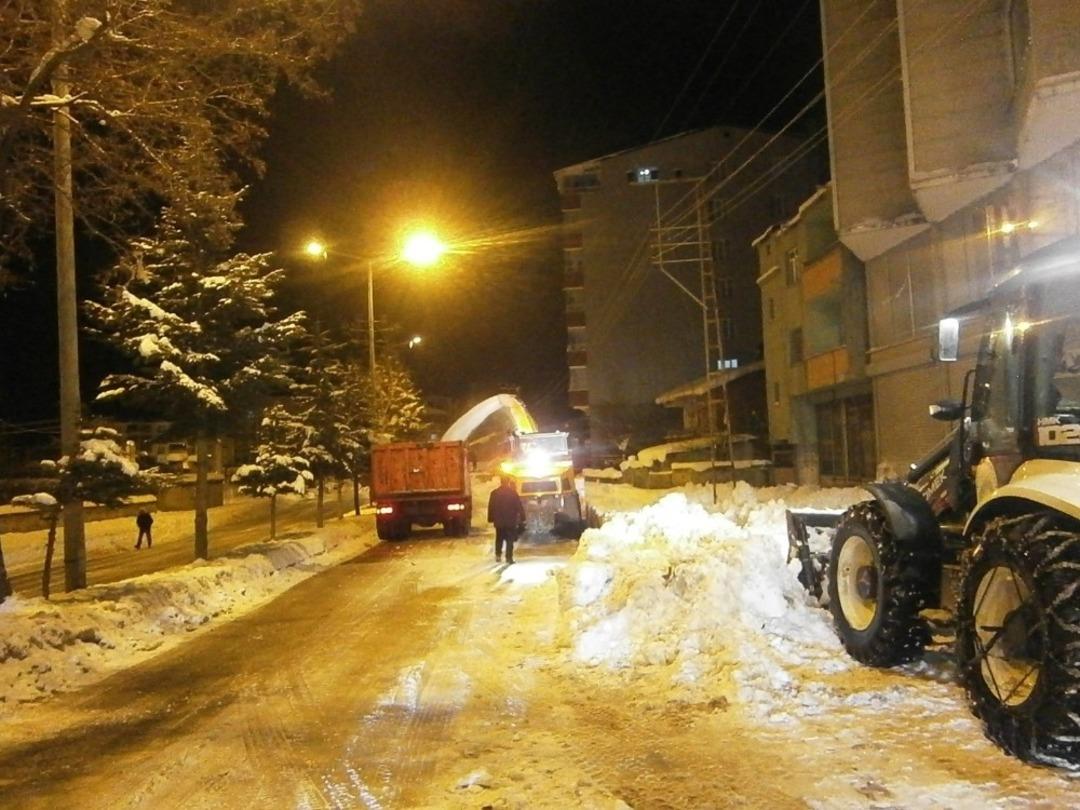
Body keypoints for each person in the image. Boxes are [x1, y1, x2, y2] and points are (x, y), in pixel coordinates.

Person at [487, 475, 525, 564]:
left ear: (501, 482)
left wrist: (490, 518)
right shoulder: (513, 493)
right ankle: (509, 558)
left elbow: (491, 507)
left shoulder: (494, 493)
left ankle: (498, 555)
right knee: (510, 540)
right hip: (510, 520)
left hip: (499, 521)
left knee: (499, 538)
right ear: (508, 482)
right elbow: (519, 506)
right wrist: (523, 517)